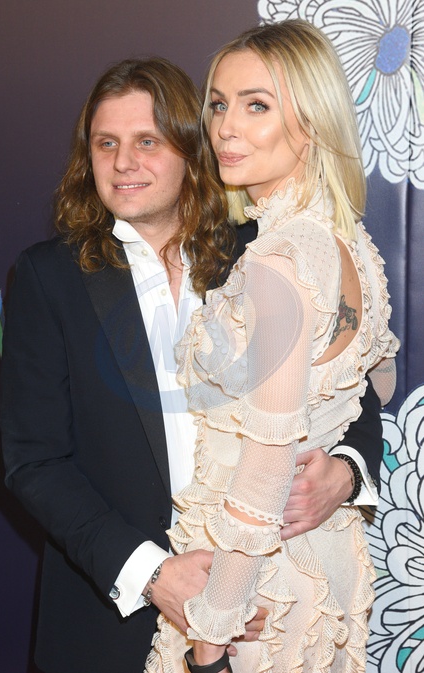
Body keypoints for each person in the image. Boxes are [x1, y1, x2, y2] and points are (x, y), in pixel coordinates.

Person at [0, 56, 385, 673]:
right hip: (110, 623)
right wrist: (154, 574)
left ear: (190, 149)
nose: (124, 162)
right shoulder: (51, 277)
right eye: (106, 143)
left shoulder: (261, 255)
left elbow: (350, 390)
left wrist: (346, 472)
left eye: (147, 141)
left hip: (265, 607)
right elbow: (34, 462)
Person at [145, 21, 399, 673]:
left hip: (256, 593)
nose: (225, 127)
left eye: (256, 105)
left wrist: (212, 638)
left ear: (311, 122)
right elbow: (379, 377)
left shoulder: (279, 259)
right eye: (218, 104)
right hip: (324, 560)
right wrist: (331, 444)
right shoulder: (351, 244)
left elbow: (265, 467)